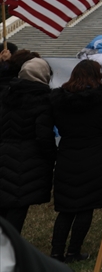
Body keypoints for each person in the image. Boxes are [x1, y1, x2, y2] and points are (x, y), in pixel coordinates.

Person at [48, 59, 102, 263]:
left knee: (66, 208)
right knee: (85, 207)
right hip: (95, 156)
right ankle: (73, 251)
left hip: (67, 154)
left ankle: (56, 252)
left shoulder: (59, 100)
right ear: (97, 76)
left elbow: (49, 128)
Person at [0, 57, 55, 234]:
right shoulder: (43, 100)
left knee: (4, 201)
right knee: (18, 204)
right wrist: (51, 156)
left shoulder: (7, 94)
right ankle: (10, 251)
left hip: (4, 153)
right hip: (28, 158)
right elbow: (43, 135)